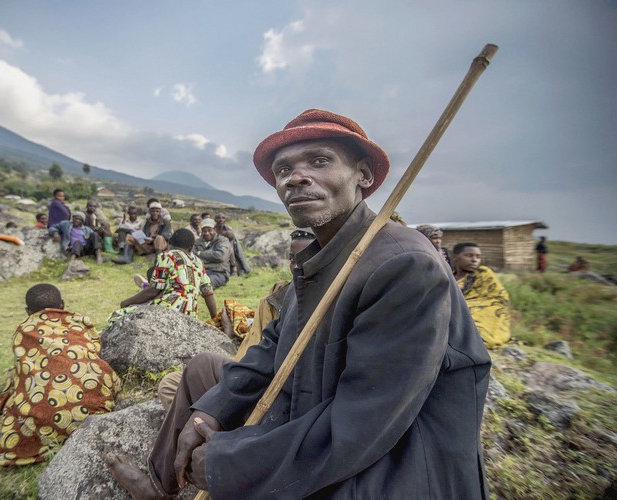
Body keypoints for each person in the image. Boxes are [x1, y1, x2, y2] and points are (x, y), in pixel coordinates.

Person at [105, 108, 490, 499]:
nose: (296, 177)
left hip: (389, 462)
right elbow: (273, 346)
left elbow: (364, 422)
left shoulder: (404, 265)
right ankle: (159, 485)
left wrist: (231, 462)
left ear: (363, 174)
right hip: (311, 397)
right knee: (205, 371)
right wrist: (213, 409)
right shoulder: (321, 260)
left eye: (320, 161)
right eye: (284, 169)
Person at [157, 228, 317, 410]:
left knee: (201, 371)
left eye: (305, 259)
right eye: (292, 259)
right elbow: (253, 350)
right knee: (171, 384)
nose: (296, 266)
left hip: (274, 392)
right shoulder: (276, 297)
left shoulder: (326, 303)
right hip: (247, 374)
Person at [0, 283, 121, 466]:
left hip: (46, 421)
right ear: (62, 305)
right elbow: (95, 348)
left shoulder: (23, 331)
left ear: (28, 312)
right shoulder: (80, 321)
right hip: (97, 407)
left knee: (17, 394)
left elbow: (24, 371)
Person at [107, 229, 219, 325]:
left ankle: (144, 285)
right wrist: (215, 320)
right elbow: (208, 294)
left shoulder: (168, 256)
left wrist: (126, 302)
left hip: (168, 310)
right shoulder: (198, 262)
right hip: (190, 315)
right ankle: (145, 285)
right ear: (191, 248)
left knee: (117, 316)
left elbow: (154, 290)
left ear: (169, 243)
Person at [453, 242, 511, 348]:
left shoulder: (483, 273)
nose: (474, 260)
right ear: (455, 257)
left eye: (478, 257)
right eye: (469, 255)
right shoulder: (448, 275)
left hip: (484, 309)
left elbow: (498, 297)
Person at [193, 218, 231, 289]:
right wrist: (212, 257)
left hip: (218, 272)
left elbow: (220, 256)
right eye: (204, 231)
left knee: (206, 284)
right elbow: (193, 256)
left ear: (215, 229)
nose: (207, 233)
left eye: (209, 230)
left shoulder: (223, 240)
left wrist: (200, 254)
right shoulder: (197, 242)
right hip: (200, 271)